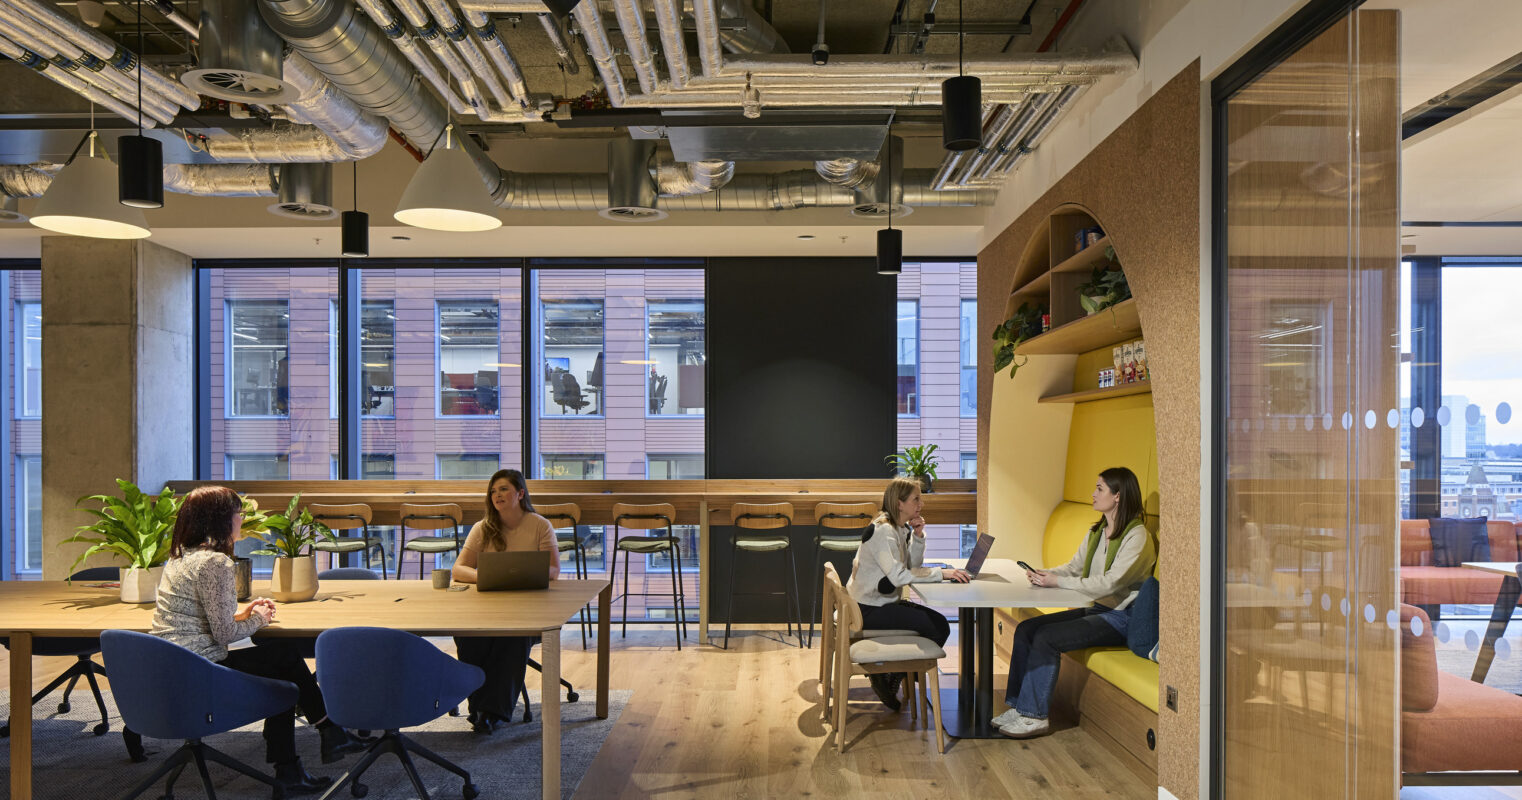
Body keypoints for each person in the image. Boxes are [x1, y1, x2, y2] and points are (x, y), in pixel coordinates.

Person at [149, 485, 365, 794]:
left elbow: (199, 620)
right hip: (199, 670)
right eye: (238, 514)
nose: (241, 520)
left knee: (281, 670)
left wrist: (241, 614)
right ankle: (328, 732)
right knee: (285, 660)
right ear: (221, 520)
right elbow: (223, 635)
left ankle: (298, 763)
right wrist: (258, 619)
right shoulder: (215, 563)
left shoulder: (181, 558)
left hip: (173, 666)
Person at [993, 466, 1157, 739]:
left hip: (1122, 618)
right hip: (1100, 608)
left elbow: (1110, 583)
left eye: (1099, 489)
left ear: (1118, 496)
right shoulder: (1099, 531)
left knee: (1047, 637)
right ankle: (1020, 707)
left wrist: (1057, 582)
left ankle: (1035, 717)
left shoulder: (1137, 537)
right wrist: (1047, 574)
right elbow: (1074, 567)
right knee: (1027, 629)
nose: (1093, 494)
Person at [846, 477, 970, 711]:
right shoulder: (884, 531)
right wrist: (943, 573)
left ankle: (896, 674)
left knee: (940, 625)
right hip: (868, 609)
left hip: (880, 602)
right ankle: (890, 677)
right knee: (937, 627)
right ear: (899, 503)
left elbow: (911, 564)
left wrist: (919, 536)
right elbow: (899, 577)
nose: (921, 504)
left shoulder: (898, 528)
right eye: (916, 499)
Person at [451, 468, 560, 734]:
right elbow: (458, 570)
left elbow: (554, 570)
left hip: (528, 610)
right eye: (493, 490)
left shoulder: (539, 525)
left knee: (513, 637)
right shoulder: (482, 528)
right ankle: (477, 708)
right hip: (486, 607)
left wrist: (522, 576)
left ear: (520, 493)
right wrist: (485, 577)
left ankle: (492, 713)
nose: (496, 495)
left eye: (503, 489)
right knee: (469, 636)